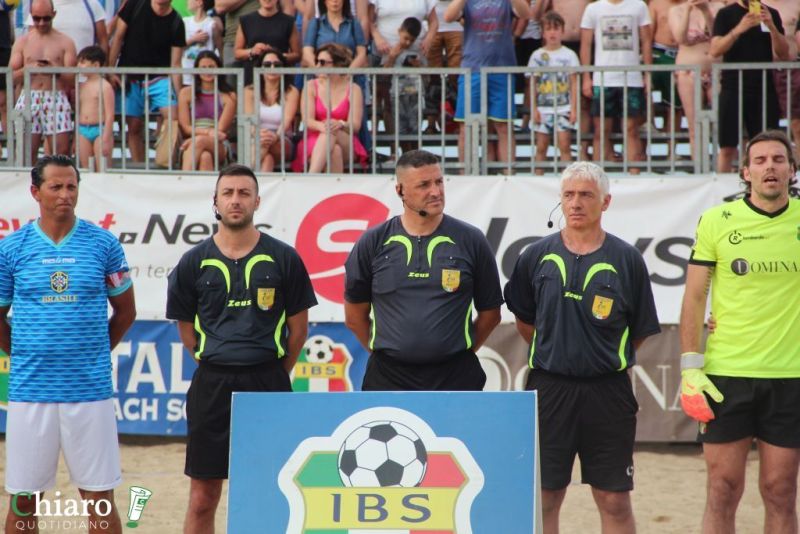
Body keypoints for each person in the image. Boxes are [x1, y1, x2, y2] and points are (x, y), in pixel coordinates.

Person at [504, 161, 660, 534]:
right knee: (545, 498)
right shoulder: (535, 256)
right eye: (569, 195)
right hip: (549, 388)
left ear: (605, 202)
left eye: (586, 195)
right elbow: (525, 320)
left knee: (614, 500)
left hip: (608, 392)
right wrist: (558, 351)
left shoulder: (627, 260)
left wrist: (599, 358)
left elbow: (638, 331)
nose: (576, 203)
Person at [166, 164, 317, 534]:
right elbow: (187, 331)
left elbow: (298, 330)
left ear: (257, 202)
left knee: (273, 491)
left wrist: (275, 373)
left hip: (268, 385)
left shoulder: (284, 258)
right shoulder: (193, 262)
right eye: (228, 193)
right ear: (215, 202)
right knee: (203, 497)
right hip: (212, 386)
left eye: (244, 193)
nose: (236, 200)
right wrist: (215, 360)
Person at [0, 155, 136, 534]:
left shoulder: (104, 244)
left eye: (71, 186)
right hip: (31, 391)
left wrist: (91, 353)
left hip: (89, 391)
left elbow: (126, 312)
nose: (65, 194)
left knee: (99, 501)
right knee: (25, 501)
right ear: (35, 192)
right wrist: (27, 354)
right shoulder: (12, 249)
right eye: (55, 186)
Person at [678, 130, 800, 534]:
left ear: (791, 170)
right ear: (745, 172)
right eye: (761, 160)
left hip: (789, 376)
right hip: (727, 374)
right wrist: (690, 368)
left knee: (780, 490)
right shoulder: (717, 220)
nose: (770, 167)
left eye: (779, 159)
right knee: (723, 489)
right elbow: (695, 297)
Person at [343, 149, 503, 390]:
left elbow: (491, 314)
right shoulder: (372, 242)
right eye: (424, 185)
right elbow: (355, 316)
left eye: (439, 181)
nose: (436, 191)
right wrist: (393, 354)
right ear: (400, 191)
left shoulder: (472, 240)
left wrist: (457, 353)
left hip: (456, 376)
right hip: (388, 378)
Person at [445, 0, 531, 173]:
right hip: (472, 68)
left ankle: (509, 174)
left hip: (502, 68)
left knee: (504, 126)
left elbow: (526, 14)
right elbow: (448, 17)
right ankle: (465, 174)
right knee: (466, 126)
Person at [710, 0, 788, 172]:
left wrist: (772, 27)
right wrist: (739, 28)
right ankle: (722, 191)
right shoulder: (725, 14)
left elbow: (784, 53)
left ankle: (762, 189)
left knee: (766, 147)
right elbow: (715, 50)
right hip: (732, 86)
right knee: (727, 146)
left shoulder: (771, 13)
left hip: (764, 89)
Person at [107, 0, 186, 163]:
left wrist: (180, 96)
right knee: (134, 126)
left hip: (159, 77)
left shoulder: (177, 21)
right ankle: (139, 167)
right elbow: (117, 38)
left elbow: (176, 64)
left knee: (173, 118)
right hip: (130, 76)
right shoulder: (135, 5)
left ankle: (164, 162)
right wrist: (110, 70)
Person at [580, 0, 653, 174]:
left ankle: (634, 175)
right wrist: (586, 77)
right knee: (600, 130)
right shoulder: (593, 8)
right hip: (603, 79)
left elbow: (647, 40)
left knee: (631, 129)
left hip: (631, 78)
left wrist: (648, 74)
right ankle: (596, 178)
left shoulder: (638, 6)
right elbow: (585, 44)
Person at [10, 0, 77, 162]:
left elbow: (73, 79)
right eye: (37, 18)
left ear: (54, 15)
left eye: (46, 18)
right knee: (25, 153)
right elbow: (10, 77)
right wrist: (28, 69)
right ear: (30, 17)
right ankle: (26, 185)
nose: (41, 23)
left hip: (55, 96)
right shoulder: (22, 42)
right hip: (29, 97)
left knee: (60, 155)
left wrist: (54, 70)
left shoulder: (65, 42)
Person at [292, 43, 368, 173]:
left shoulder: (354, 88)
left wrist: (340, 124)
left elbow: (355, 125)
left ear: (338, 65)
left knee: (332, 131)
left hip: (344, 138)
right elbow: (308, 120)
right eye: (316, 61)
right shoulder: (310, 86)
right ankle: (335, 191)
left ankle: (309, 178)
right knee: (335, 152)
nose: (317, 66)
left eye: (322, 62)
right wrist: (324, 127)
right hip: (315, 138)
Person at [668, 0, 724, 161]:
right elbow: (680, 38)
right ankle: (699, 167)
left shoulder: (718, 8)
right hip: (688, 72)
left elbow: (718, 36)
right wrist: (687, 10)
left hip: (716, 71)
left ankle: (722, 167)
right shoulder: (676, 10)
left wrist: (706, 11)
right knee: (694, 126)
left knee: (722, 122)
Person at [528, 10, 580, 174]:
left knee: (564, 145)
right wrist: (533, 109)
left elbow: (573, 82)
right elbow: (532, 84)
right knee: (541, 146)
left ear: (562, 31)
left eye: (556, 28)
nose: (552, 32)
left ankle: (569, 181)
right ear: (543, 32)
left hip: (563, 107)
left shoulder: (569, 55)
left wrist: (574, 108)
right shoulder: (537, 55)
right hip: (543, 108)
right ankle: (537, 179)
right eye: (548, 29)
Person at [177, 51, 237, 171]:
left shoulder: (229, 96)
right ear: (197, 71)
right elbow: (185, 127)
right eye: (203, 67)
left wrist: (198, 139)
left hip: (218, 144)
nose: (208, 71)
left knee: (200, 142)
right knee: (205, 157)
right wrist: (205, 134)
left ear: (219, 69)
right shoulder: (186, 93)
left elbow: (220, 130)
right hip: (192, 140)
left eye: (211, 67)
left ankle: (182, 182)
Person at [243, 50, 300, 171]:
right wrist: (258, 134)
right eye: (267, 65)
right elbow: (249, 121)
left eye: (277, 65)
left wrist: (275, 136)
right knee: (267, 159)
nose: (272, 68)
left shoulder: (291, 91)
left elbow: (287, 121)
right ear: (260, 68)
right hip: (256, 138)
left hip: (282, 139)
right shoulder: (249, 91)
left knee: (263, 143)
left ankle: (243, 174)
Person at [384, 16, 427, 154]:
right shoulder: (392, 48)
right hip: (397, 93)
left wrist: (419, 66)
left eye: (411, 40)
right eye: (405, 38)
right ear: (399, 31)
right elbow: (384, 72)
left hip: (415, 93)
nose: (408, 43)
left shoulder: (419, 50)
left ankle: (415, 155)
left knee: (415, 126)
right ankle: (404, 154)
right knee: (400, 126)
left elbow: (428, 72)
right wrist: (392, 57)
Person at [234, 0, 300, 86]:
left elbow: (297, 54)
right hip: (252, 77)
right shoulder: (246, 20)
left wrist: (276, 55)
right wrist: (252, 51)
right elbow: (237, 52)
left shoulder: (288, 22)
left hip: (280, 79)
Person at [768, 0, 800, 163]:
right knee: (765, 123)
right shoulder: (753, 4)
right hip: (762, 71)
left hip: (791, 68)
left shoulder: (796, 4)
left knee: (797, 123)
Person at [76, 45, 115, 171]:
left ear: (96, 65)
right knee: (87, 169)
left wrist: (106, 138)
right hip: (83, 129)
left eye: (83, 62)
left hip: (100, 129)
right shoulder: (81, 86)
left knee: (102, 169)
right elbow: (78, 111)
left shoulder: (105, 86)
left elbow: (109, 115)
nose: (79, 65)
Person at [181, 0, 223, 86]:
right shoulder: (185, 22)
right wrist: (193, 39)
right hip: (186, 73)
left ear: (200, 2)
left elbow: (220, 49)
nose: (187, 2)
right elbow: (177, 47)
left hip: (205, 75)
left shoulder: (212, 24)